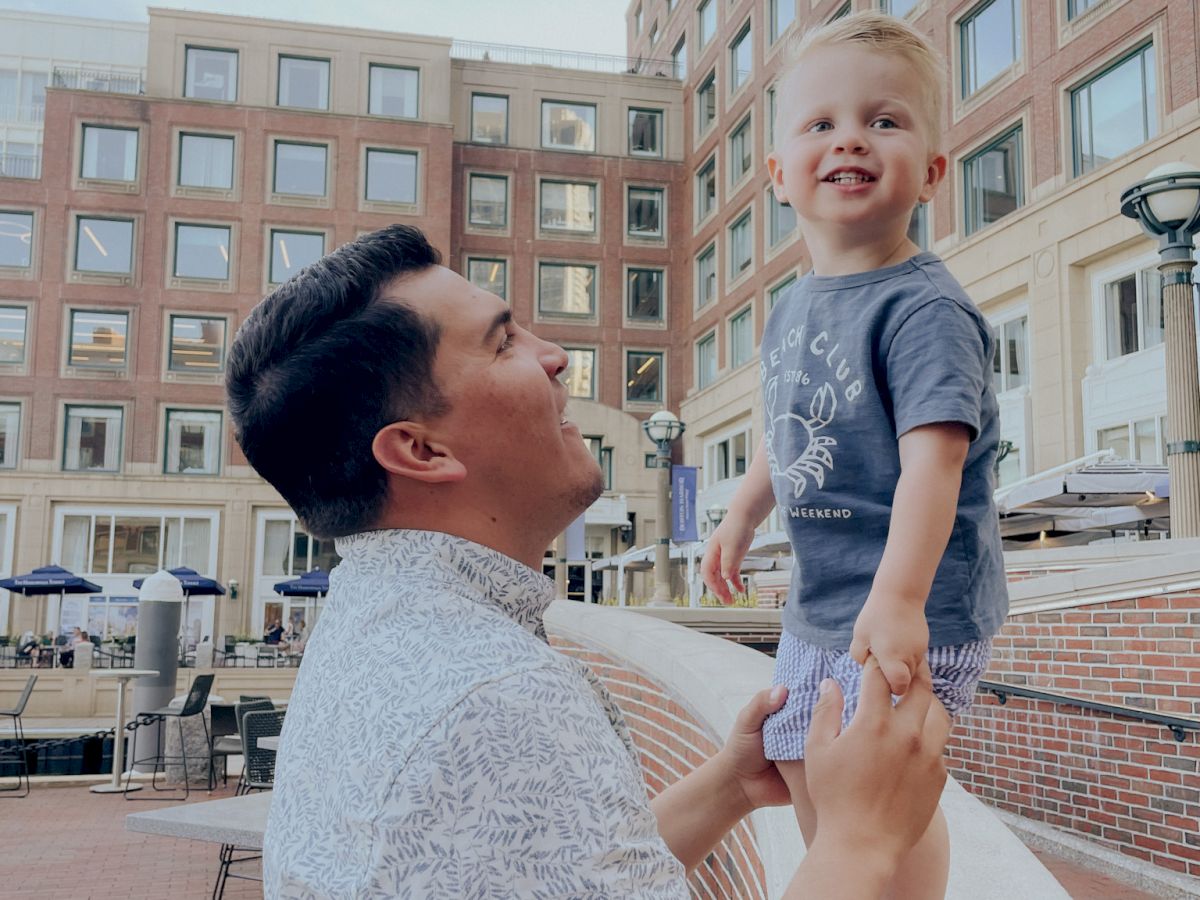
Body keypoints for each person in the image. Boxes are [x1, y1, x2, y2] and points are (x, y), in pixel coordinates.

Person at [227, 224, 952, 898]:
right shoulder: (498, 696)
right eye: (503, 343)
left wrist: (730, 785)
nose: (554, 355)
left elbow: (555, 872)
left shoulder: (370, 629)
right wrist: (862, 837)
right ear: (421, 450)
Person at [702, 12, 1010, 899]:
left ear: (932, 173)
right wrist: (742, 512)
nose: (850, 139)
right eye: (821, 123)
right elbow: (795, 423)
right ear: (779, 175)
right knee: (802, 762)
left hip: (913, 602)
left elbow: (935, 465)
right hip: (823, 598)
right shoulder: (796, 305)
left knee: (882, 790)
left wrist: (901, 599)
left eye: (884, 120)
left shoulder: (924, 311)